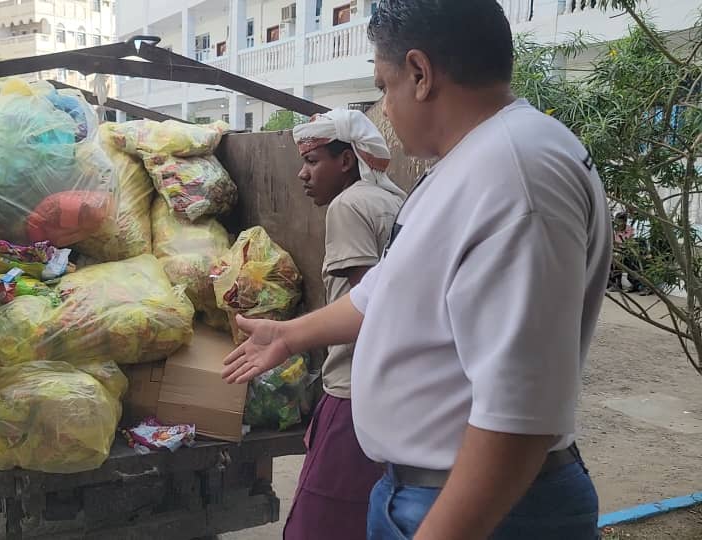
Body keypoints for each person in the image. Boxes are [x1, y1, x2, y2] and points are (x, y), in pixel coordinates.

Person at [221, 1, 611, 539]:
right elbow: (381, 292)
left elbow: (520, 417)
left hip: (484, 510)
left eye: (384, 86)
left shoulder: (515, 175)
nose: (384, 107)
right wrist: (288, 335)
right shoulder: (469, 164)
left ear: (421, 74)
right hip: (426, 491)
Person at [282, 109, 405, 540]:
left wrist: (289, 337)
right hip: (394, 390)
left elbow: (369, 306)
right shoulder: (394, 200)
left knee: (317, 522)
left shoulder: (349, 206)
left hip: (353, 390)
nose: (303, 174)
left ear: (347, 160)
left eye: (312, 161)